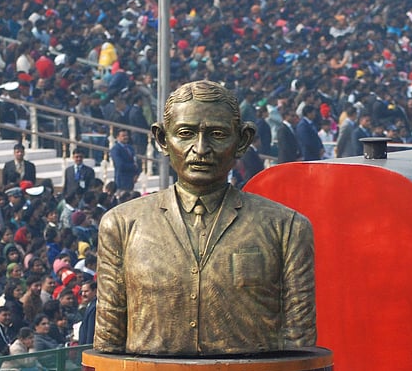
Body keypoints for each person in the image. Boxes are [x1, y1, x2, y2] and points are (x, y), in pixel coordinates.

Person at [96, 80, 317, 356]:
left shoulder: (286, 228)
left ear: (242, 140)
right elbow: (107, 344)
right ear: (163, 139)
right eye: (186, 133)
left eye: (217, 134)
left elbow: (300, 348)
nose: (201, 148)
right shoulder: (121, 225)